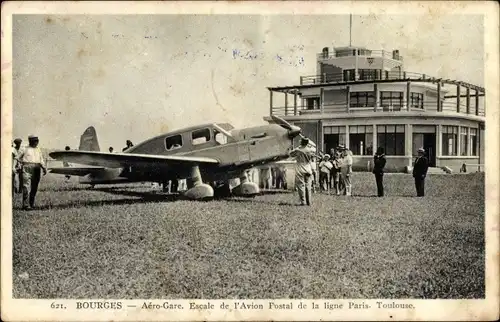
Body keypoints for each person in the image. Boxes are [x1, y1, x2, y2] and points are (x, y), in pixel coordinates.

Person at [17, 135, 47, 210]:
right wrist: (21, 164)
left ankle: (31, 204)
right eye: (34, 141)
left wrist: (44, 168)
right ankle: (26, 205)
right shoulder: (24, 148)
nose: (36, 143)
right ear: (30, 141)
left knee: (34, 187)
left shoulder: (38, 149)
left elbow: (41, 159)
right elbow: (18, 157)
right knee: (26, 187)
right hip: (27, 168)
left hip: (37, 168)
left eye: (37, 141)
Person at [289, 137, 316, 206]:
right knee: (308, 185)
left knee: (301, 185)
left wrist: (298, 147)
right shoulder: (310, 150)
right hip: (308, 167)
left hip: (300, 167)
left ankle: (303, 201)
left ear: (302, 142)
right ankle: (309, 202)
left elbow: (291, 154)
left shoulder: (298, 149)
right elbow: (313, 155)